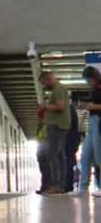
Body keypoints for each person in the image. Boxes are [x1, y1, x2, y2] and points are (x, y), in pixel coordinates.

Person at [38, 71, 70, 196]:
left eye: (44, 82)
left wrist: (44, 106)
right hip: (59, 125)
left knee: (52, 155)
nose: (44, 86)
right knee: (60, 156)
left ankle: (56, 185)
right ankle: (60, 185)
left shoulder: (58, 88)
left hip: (57, 126)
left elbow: (60, 106)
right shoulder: (59, 88)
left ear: (49, 78)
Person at [73, 67, 101, 196]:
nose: (88, 82)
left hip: (99, 123)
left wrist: (93, 106)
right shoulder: (95, 90)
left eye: (89, 80)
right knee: (85, 157)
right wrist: (87, 105)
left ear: (95, 77)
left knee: (99, 156)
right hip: (92, 123)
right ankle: (83, 188)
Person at [64, 103, 79, 193]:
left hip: (69, 140)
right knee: (69, 163)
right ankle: (68, 186)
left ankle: (67, 186)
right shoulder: (72, 111)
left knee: (67, 163)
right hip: (73, 140)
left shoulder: (69, 110)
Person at [35, 108, 48, 194]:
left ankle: (45, 187)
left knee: (45, 170)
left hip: (44, 151)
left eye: (40, 117)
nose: (39, 119)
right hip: (41, 151)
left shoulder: (46, 126)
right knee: (43, 170)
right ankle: (44, 187)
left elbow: (45, 139)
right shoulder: (40, 126)